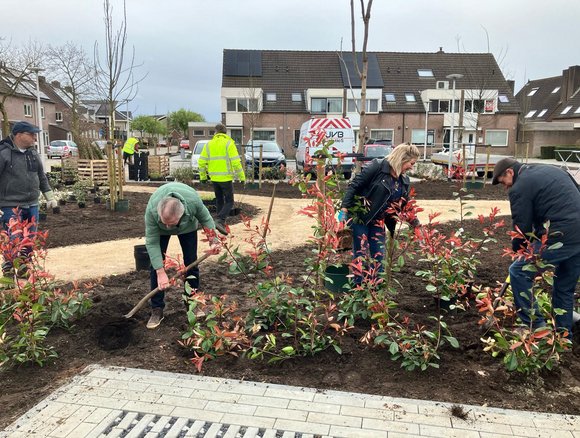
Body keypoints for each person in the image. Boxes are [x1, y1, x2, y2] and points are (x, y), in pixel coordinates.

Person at [492, 157, 580, 338]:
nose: (506, 187)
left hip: (560, 234)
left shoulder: (520, 186)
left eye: (504, 183)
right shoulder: (552, 170)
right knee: (564, 287)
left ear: (510, 172)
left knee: (518, 272)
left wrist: (518, 251)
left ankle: (537, 328)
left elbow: (521, 227)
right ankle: (563, 338)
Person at [340, 143, 420, 284]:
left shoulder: (403, 181)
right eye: (411, 163)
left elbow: (406, 205)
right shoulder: (377, 166)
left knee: (379, 256)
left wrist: (416, 225)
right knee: (361, 253)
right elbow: (355, 185)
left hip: (378, 221)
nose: (412, 167)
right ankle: (359, 288)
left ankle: (376, 289)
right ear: (402, 158)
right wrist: (344, 210)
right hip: (361, 218)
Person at [144, 182, 218, 329]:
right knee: (156, 266)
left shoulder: (192, 202)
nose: (168, 227)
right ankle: (157, 309)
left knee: (191, 262)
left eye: (171, 223)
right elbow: (152, 243)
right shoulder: (152, 210)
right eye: (165, 222)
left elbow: (206, 219)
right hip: (160, 232)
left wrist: (214, 240)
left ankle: (192, 303)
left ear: (181, 214)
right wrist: (160, 271)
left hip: (187, 227)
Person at [0, 121, 57, 275]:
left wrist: (49, 196)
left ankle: (25, 267)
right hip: (10, 205)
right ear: (19, 135)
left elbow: (41, 175)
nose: (35, 138)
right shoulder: (3, 153)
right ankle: (9, 269)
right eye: (31, 135)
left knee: (29, 237)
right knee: (12, 238)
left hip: (32, 204)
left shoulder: (32, 153)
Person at [198, 124, 245, 234]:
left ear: (215, 132)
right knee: (229, 201)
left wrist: (203, 177)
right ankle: (220, 220)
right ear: (225, 133)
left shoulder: (209, 145)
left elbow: (201, 162)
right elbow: (236, 163)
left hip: (214, 178)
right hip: (226, 178)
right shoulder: (229, 143)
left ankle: (219, 225)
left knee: (219, 200)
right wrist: (242, 177)